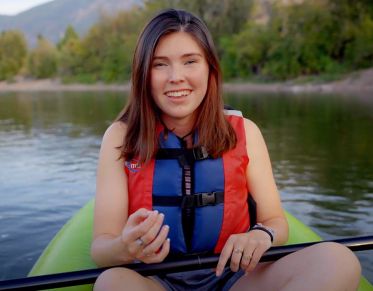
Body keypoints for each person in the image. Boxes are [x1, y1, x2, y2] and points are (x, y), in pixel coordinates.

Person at [91, 8, 361, 291]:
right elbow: (101, 248)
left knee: (338, 260)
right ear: (143, 73)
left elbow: (274, 220)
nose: (176, 77)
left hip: (236, 277)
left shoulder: (246, 132)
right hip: (155, 280)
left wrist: (261, 234)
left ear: (210, 68)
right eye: (160, 64)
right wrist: (125, 247)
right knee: (111, 283)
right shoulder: (120, 137)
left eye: (190, 61)